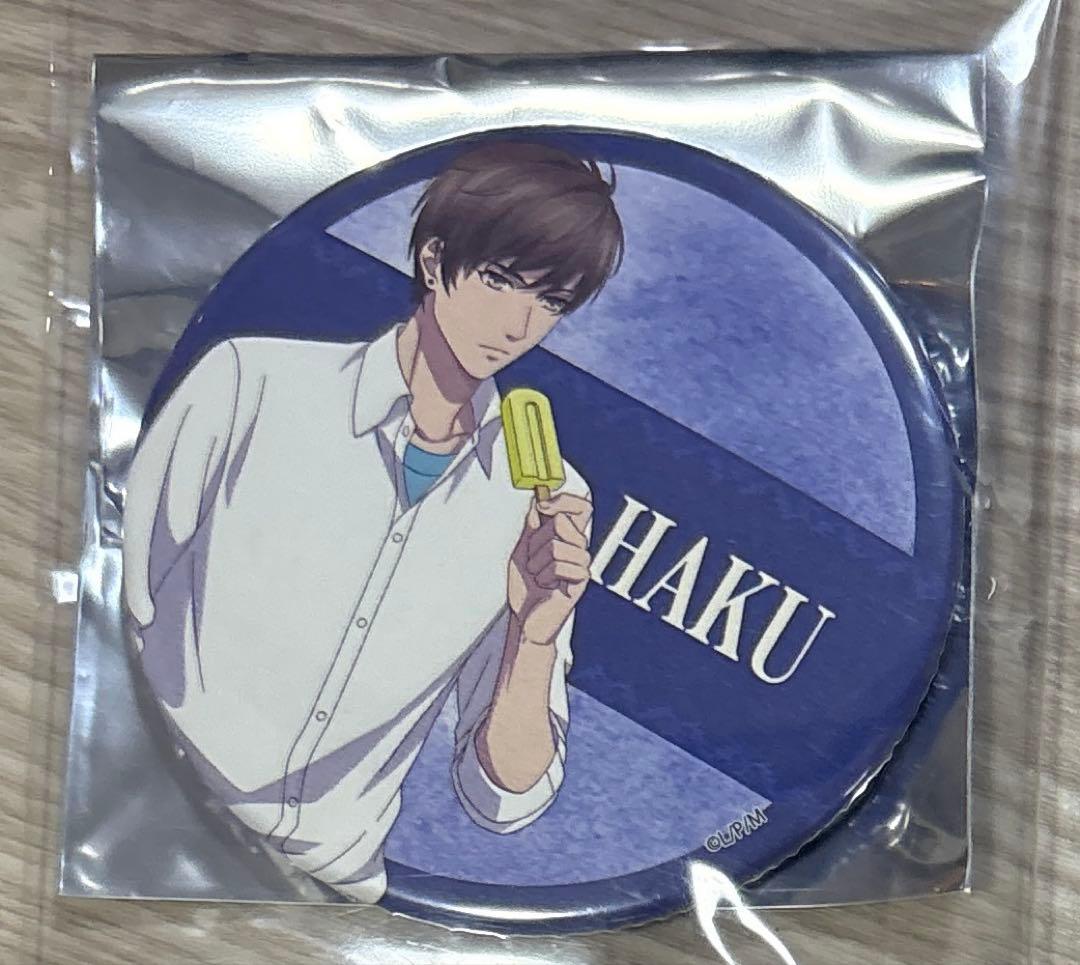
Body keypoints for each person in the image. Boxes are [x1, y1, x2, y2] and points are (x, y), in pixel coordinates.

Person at [121, 142, 624, 902]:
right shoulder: (250, 384)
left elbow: (506, 793)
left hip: (340, 894)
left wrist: (537, 630)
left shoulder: (542, 502)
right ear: (434, 260)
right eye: (499, 280)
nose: (519, 322)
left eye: (550, 301)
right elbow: (118, 599)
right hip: (151, 817)